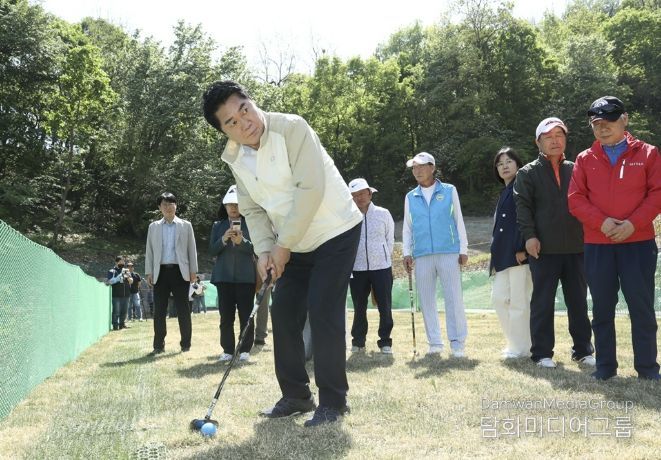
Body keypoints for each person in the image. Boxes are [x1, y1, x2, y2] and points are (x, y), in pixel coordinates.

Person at [202, 80, 362, 427]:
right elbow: (253, 209)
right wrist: (264, 251)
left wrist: (282, 246)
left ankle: (333, 401)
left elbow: (310, 189)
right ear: (224, 131)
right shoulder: (235, 158)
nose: (244, 122)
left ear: (252, 101)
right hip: (291, 242)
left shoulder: (292, 128)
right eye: (231, 122)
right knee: (284, 311)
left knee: (322, 308)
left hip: (335, 229)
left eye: (244, 109)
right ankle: (296, 396)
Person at [568, 96, 660, 381]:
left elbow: (657, 193)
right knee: (602, 308)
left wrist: (632, 224)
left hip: (638, 243)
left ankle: (648, 369)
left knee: (641, 308)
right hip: (598, 245)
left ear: (625, 120)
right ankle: (606, 367)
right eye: (597, 123)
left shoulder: (648, 153)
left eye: (609, 121)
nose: (603, 127)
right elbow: (575, 199)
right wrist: (603, 223)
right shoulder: (584, 158)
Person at [513, 117, 595, 369]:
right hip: (543, 249)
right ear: (538, 142)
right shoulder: (527, 173)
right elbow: (523, 208)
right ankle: (541, 353)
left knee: (578, 302)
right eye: (548, 137)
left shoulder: (576, 168)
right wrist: (529, 236)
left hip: (576, 248)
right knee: (543, 302)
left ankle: (583, 350)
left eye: (559, 135)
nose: (555, 140)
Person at [402, 152, 469, 358]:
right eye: (414, 167)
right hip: (421, 254)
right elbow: (407, 228)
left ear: (432, 167)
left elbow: (458, 220)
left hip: (448, 251)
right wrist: (406, 252)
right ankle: (435, 343)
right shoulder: (410, 196)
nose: (417, 171)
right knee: (426, 301)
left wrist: (463, 249)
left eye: (422, 166)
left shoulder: (449, 190)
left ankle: (457, 343)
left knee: (453, 298)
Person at [489, 147, 532, 359]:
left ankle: (522, 348)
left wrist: (524, 250)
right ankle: (516, 344)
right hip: (503, 256)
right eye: (500, 163)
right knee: (499, 299)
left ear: (517, 164)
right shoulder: (504, 191)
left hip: (519, 256)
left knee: (519, 303)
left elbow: (529, 219)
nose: (504, 166)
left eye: (508, 161)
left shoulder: (522, 187)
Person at [144, 192, 198, 354]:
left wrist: (193, 271)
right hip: (160, 272)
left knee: (183, 309)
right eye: (164, 204)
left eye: (171, 204)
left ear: (176, 205)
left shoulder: (186, 225)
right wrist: (149, 272)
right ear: (159, 207)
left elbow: (192, 249)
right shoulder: (153, 227)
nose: (168, 207)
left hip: (180, 272)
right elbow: (149, 251)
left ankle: (186, 344)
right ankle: (158, 345)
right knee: (159, 311)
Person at [347, 178, 395, 355]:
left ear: (369, 193)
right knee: (359, 307)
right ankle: (358, 341)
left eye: (361, 194)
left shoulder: (383, 213)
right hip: (357, 268)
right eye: (354, 195)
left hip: (382, 267)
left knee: (385, 305)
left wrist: (384, 257)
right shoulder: (348, 216)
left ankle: (385, 341)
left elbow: (390, 239)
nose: (358, 198)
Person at [209, 185, 257, 363]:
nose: (233, 208)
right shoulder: (218, 225)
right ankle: (228, 350)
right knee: (226, 317)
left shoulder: (251, 223)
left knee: (247, 316)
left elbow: (257, 249)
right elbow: (212, 250)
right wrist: (223, 239)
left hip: (246, 277)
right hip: (224, 278)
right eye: (230, 204)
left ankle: (245, 350)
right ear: (225, 206)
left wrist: (242, 241)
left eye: (236, 204)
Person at [105, 256, 132, 330]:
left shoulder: (126, 270)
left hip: (126, 294)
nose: (123, 263)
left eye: (123, 262)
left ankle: (122, 324)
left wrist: (128, 278)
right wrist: (118, 278)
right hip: (116, 295)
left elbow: (131, 281)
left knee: (124, 311)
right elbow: (109, 282)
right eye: (121, 262)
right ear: (116, 262)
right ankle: (115, 326)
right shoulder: (112, 271)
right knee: (116, 311)